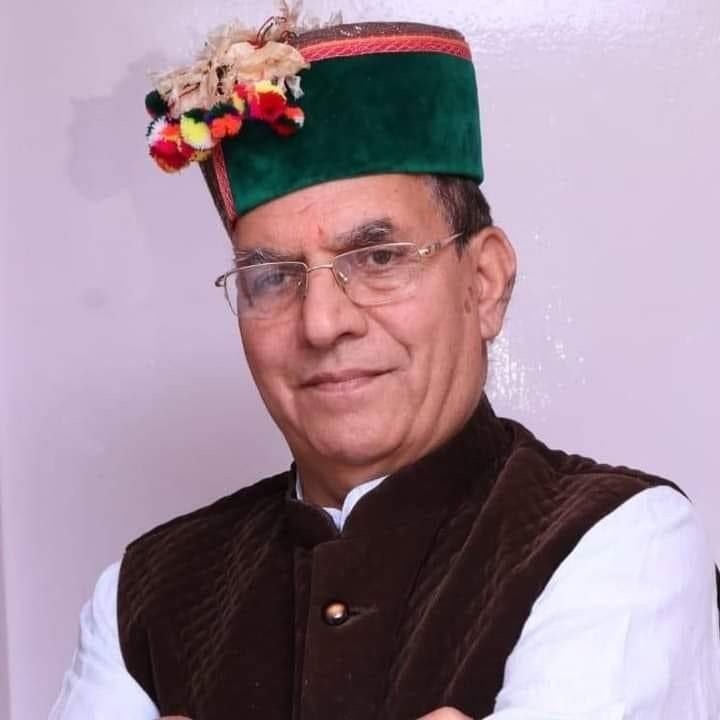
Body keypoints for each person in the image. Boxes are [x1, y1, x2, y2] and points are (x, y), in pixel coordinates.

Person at [50, 5, 720, 720]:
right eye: (272, 276)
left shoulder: (619, 542)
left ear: (484, 283)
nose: (323, 323)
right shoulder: (142, 594)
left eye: (377, 258)